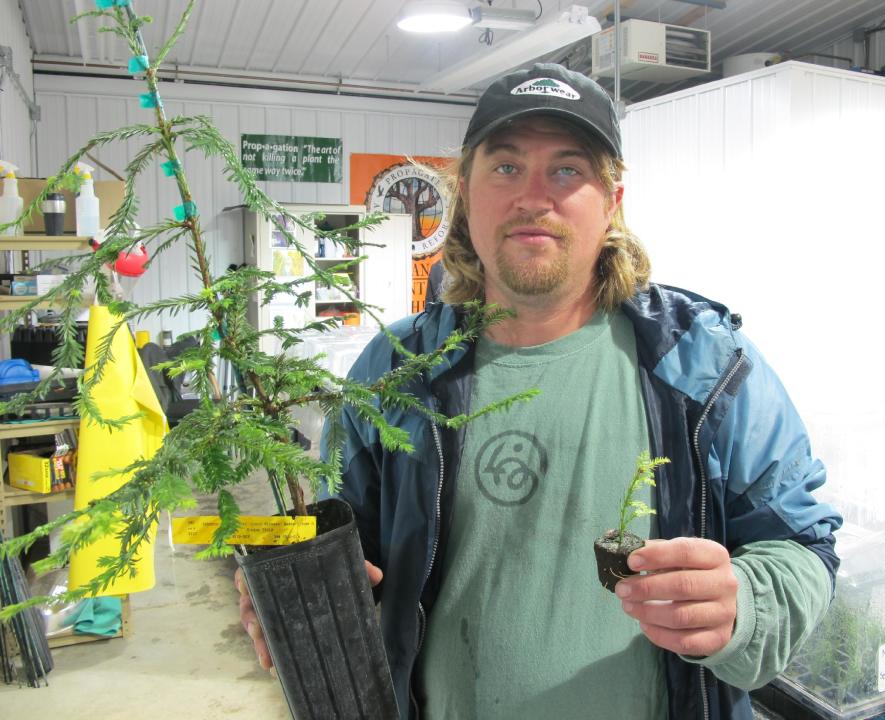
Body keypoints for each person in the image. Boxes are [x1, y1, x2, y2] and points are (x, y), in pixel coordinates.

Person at [238, 62, 842, 720]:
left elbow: (803, 547)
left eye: (566, 169)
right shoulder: (396, 368)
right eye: (505, 167)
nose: (534, 196)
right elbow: (331, 524)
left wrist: (744, 606)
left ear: (611, 200)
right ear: (464, 192)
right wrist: (274, 567)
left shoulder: (701, 365)